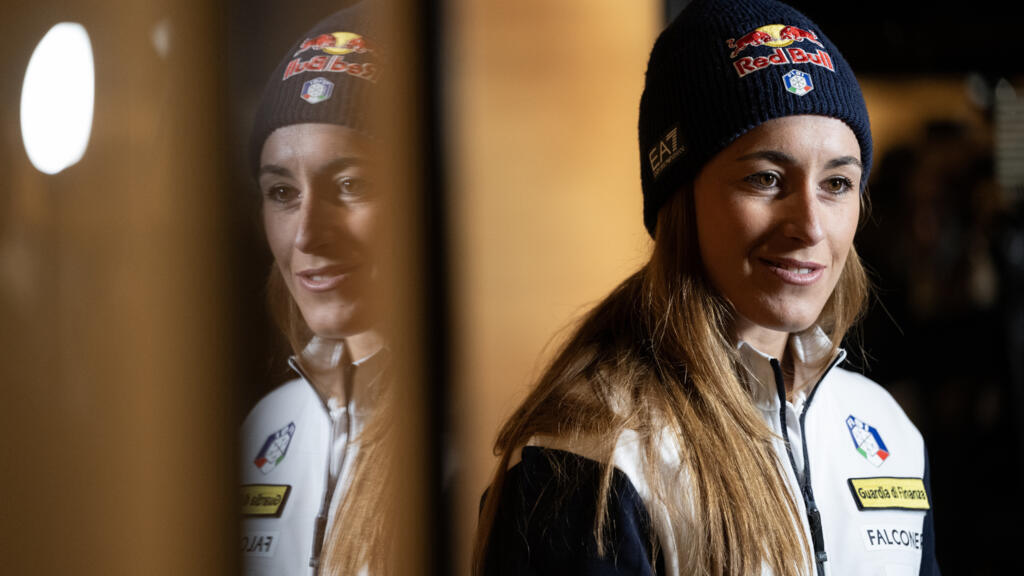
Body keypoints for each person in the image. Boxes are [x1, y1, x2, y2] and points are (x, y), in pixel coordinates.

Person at [475, 0, 939, 574]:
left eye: (837, 183)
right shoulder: (591, 453)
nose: (811, 226)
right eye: (766, 178)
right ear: (680, 199)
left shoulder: (886, 429)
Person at [239, 3, 392, 575]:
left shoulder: (492, 435)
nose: (306, 234)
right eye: (282, 193)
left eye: (350, 184)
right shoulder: (268, 427)